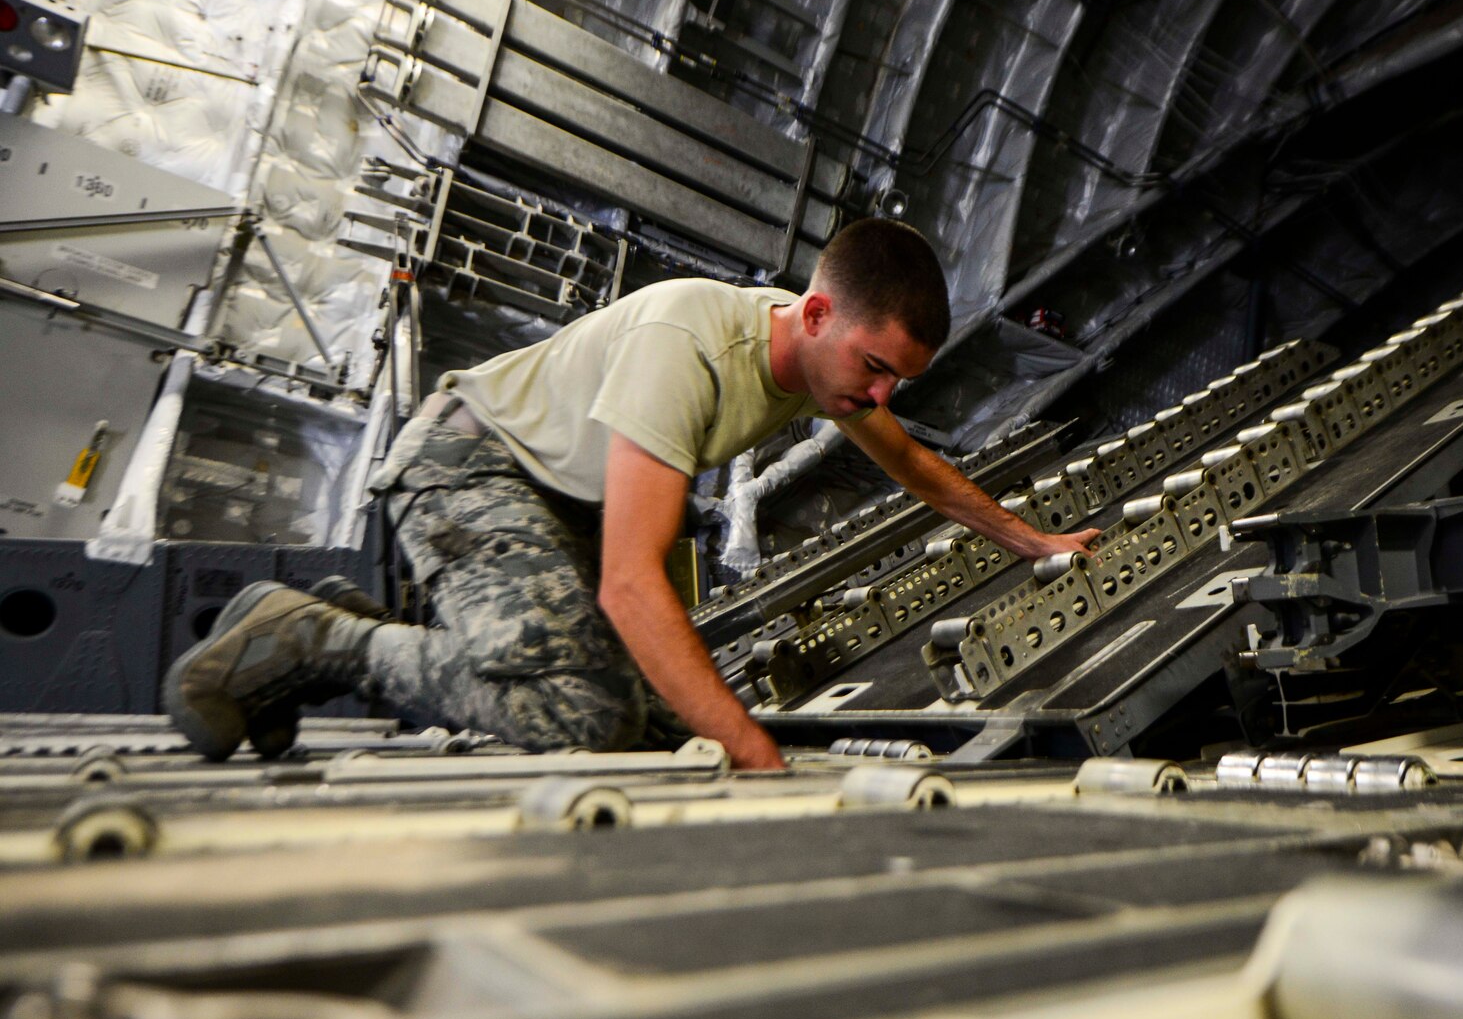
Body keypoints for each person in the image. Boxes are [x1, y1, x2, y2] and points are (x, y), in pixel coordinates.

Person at [165, 220, 1099, 769]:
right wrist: (755, 759)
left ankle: (347, 628)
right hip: (468, 469)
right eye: (875, 367)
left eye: (898, 380)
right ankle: (318, 638)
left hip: (553, 505)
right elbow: (629, 584)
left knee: (649, 741)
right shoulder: (691, 342)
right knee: (581, 715)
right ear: (816, 314)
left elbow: (914, 466)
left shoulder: (824, 372)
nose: (881, 396)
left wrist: (1033, 543)